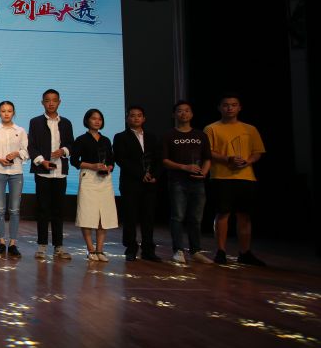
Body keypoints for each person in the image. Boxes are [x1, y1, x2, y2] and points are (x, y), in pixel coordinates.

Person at [205, 93, 267, 266]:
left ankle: (245, 252)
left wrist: (248, 161)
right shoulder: (211, 128)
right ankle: (221, 251)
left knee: (244, 215)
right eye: (226, 105)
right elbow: (208, 151)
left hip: (246, 177)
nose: (230, 108)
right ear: (219, 108)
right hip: (221, 176)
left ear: (239, 108)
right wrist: (228, 159)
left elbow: (257, 152)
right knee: (222, 213)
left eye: (233, 105)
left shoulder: (250, 129)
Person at [161, 101, 213, 264]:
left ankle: (196, 250)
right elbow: (164, 160)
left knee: (196, 218)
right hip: (177, 181)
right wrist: (184, 167)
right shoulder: (169, 135)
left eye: (187, 111)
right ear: (174, 114)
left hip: (198, 182)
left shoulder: (200, 135)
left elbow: (208, 158)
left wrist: (204, 172)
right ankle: (178, 250)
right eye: (180, 111)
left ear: (192, 114)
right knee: (178, 217)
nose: (183, 113)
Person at [28, 89, 75, 260]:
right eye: (47, 100)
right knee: (42, 210)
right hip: (43, 172)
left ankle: (58, 246)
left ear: (59, 102)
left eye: (54, 100)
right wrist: (42, 161)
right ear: (42, 103)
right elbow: (31, 146)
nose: (51, 103)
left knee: (58, 211)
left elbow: (71, 144)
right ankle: (42, 246)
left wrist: (64, 150)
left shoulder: (66, 123)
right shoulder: (35, 122)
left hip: (60, 172)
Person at [113, 106, 161, 261]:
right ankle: (131, 248)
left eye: (139, 115)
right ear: (127, 118)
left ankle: (148, 249)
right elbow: (121, 159)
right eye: (132, 115)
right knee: (130, 217)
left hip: (150, 183)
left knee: (148, 217)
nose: (136, 118)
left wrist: (154, 175)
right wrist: (141, 174)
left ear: (144, 118)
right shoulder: (120, 137)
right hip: (130, 182)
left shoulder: (152, 137)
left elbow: (158, 158)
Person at [71, 109, 118, 261]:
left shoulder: (106, 140)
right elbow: (74, 161)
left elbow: (111, 159)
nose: (97, 121)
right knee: (87, 213)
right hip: (89, 177)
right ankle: (90, 249)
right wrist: (92, 166)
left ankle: (100, 250)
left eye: (100, 119)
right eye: (94, 118)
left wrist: (109, 167)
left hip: (104, 178)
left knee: (104, 214)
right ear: (87, 120)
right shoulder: (81, 139)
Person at [0, 101, 28, 258]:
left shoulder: (21, 131)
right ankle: (2, 242)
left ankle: (13, 244)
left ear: (13, 113)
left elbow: (26, 152)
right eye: (3, 111)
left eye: (9, 111)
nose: (6, 113)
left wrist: (17, 153)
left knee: (15, 209)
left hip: (16, 172)